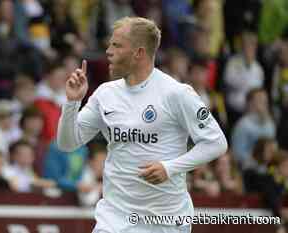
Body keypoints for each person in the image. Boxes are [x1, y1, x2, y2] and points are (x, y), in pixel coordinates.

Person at [57, 17, 227, 233]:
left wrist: (170, 168)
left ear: (139, 53)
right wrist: (72, 102)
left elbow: (216, 143)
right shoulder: (105, 94)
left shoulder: (176, 93)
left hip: (165, 220)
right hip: (115, 217)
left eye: (117, 45)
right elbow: (67, 143)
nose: (108, 51)